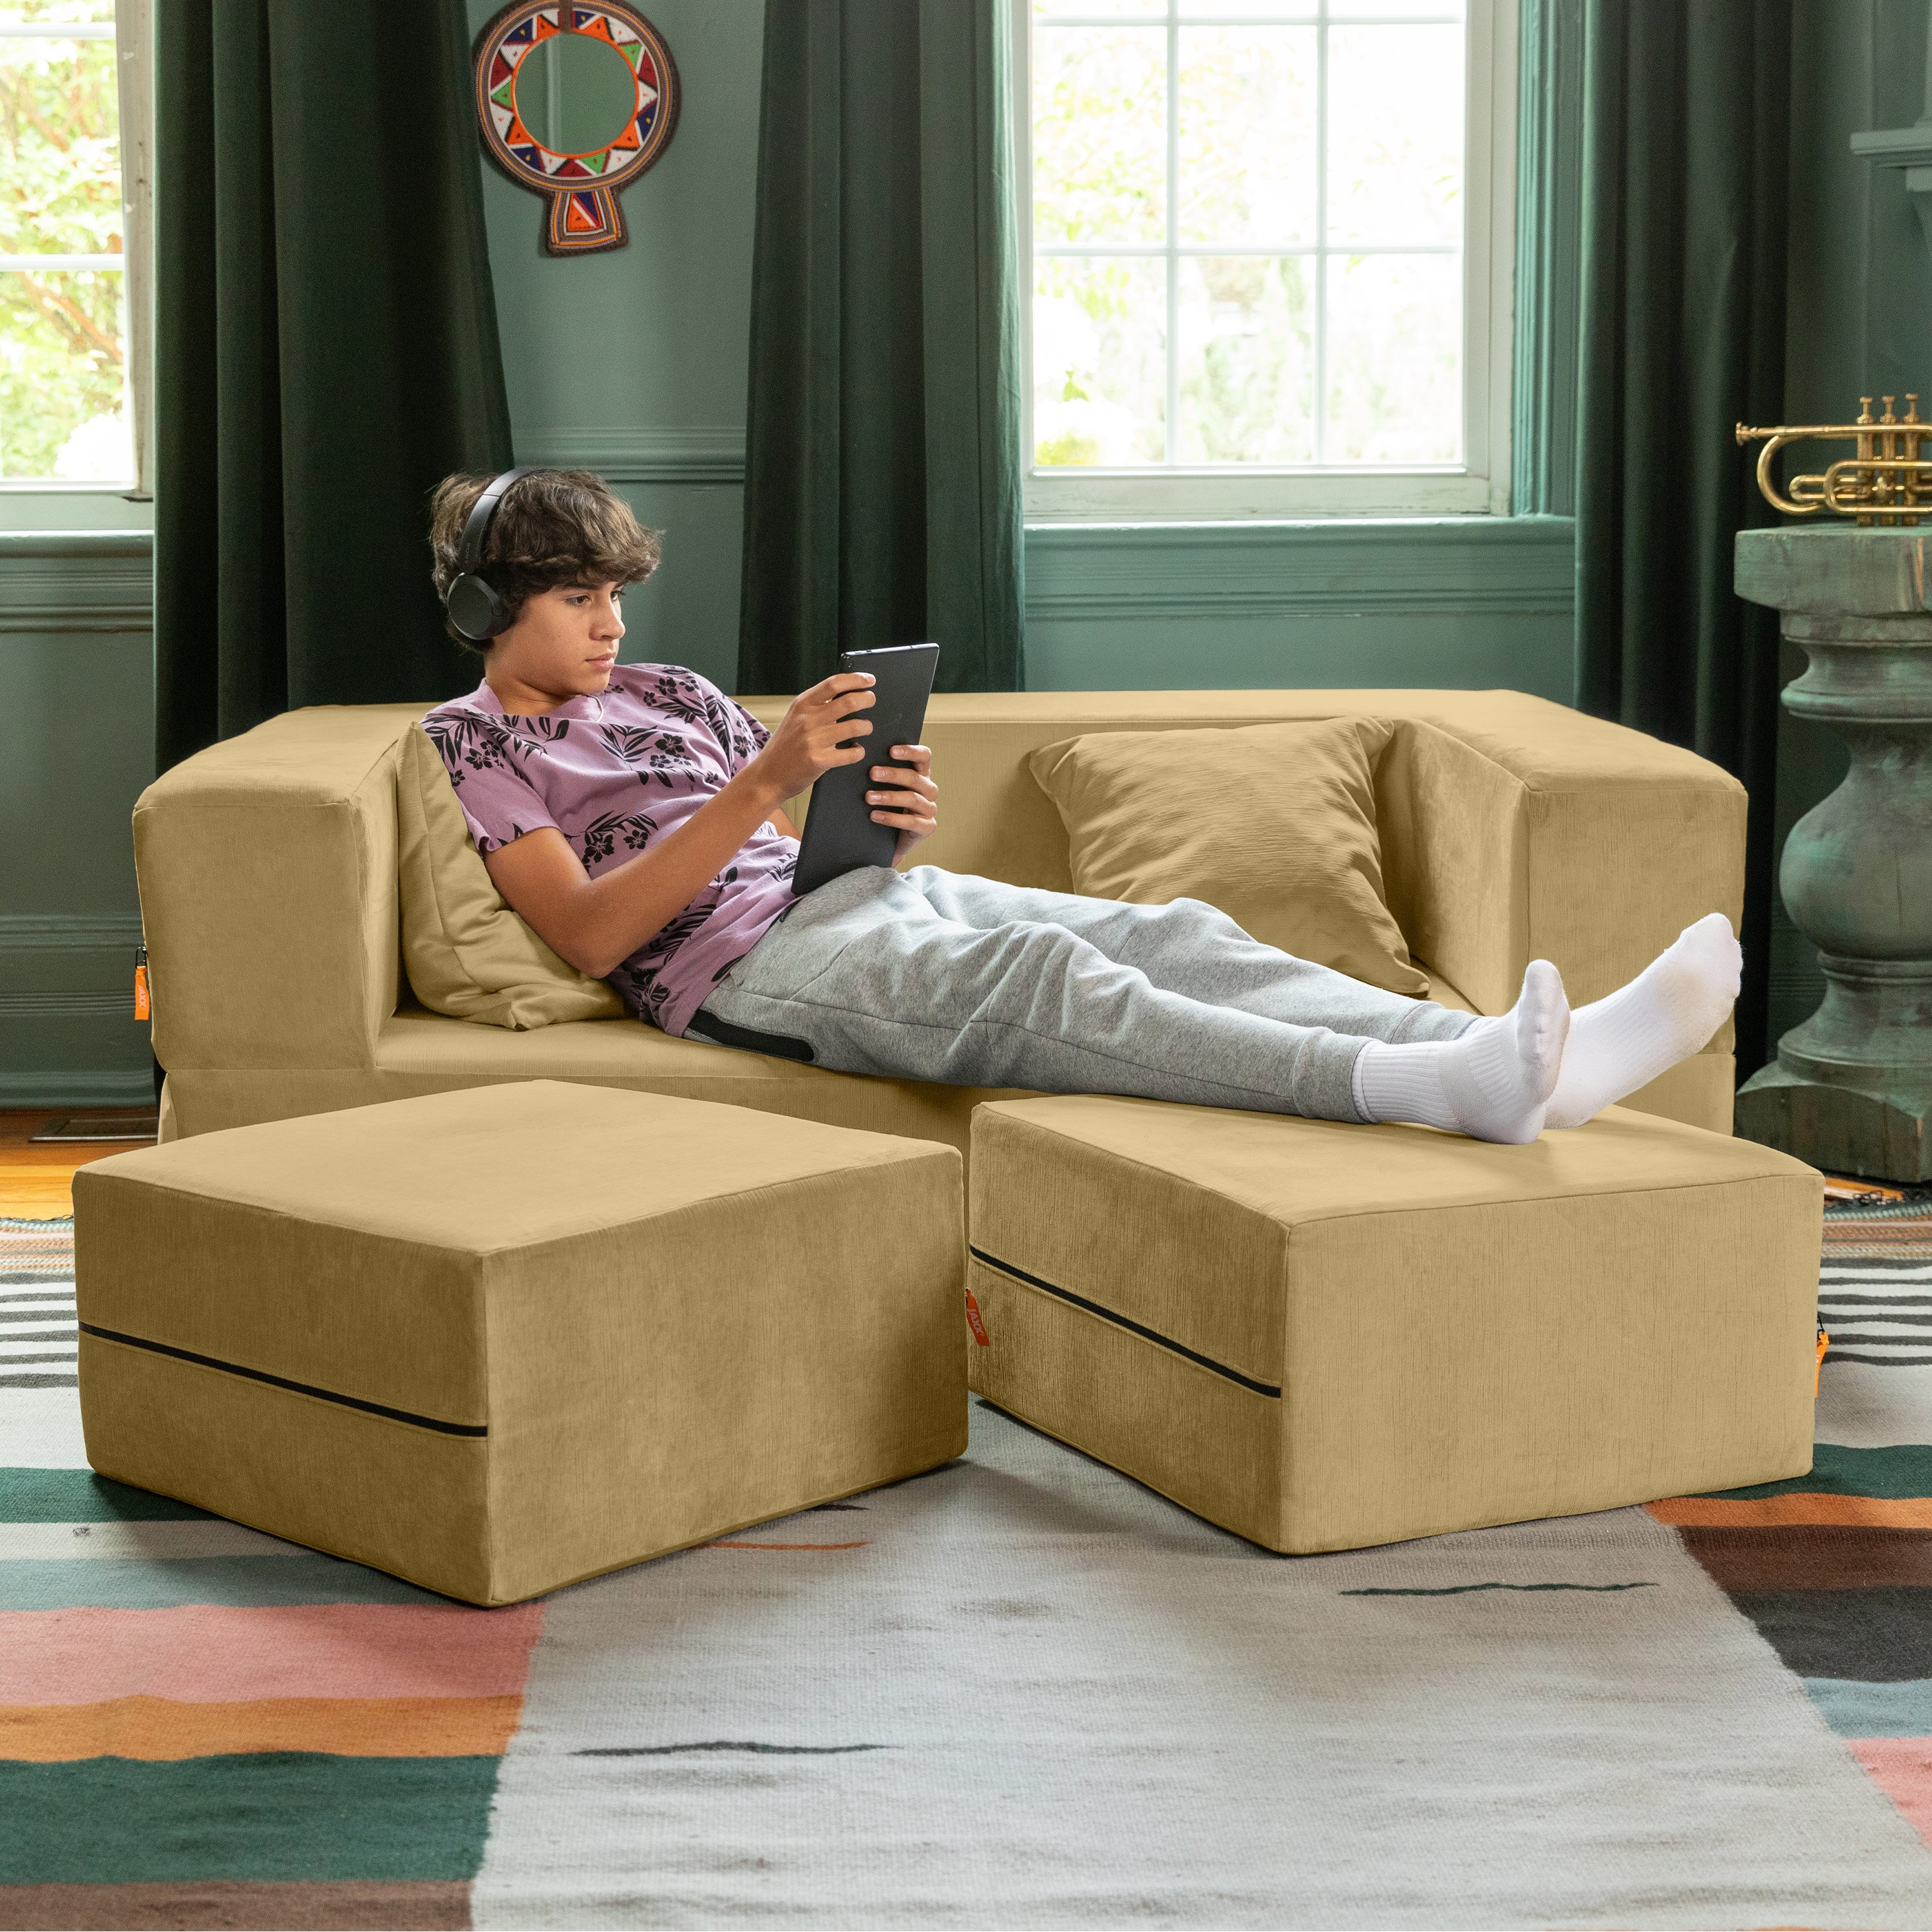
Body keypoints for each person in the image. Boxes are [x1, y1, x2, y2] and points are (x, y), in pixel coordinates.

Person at [421, 469, 1741, 1146]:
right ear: (490, 607)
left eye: (616, 594)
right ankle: (1429, 1086)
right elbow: (590, 935)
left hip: (845, 902)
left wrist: (876, 820)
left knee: (1176, 935)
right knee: (1043, 982)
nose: (613, 623)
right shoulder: (475, 742)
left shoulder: (671, 690)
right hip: (736, 975)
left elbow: (767, 851)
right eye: (579, 598)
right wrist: (767, 781)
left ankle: (1526, 1063)